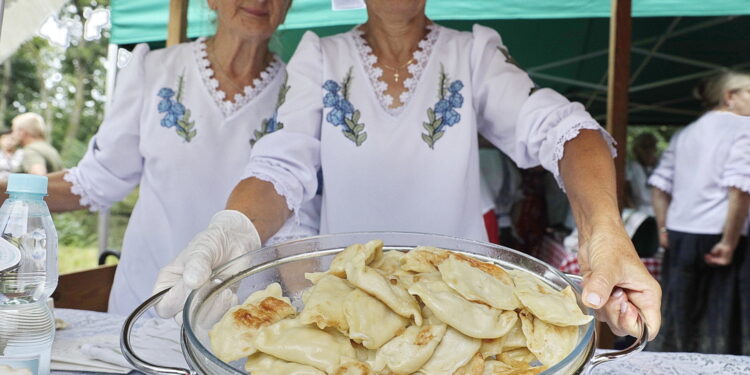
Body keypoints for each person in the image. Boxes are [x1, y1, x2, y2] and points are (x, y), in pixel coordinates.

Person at [155, 0, 661, 340]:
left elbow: (565, 129)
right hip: (345, 320)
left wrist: (605, 232)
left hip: (461, 321)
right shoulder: (321, 56)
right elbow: (282, 165)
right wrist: (235, 227)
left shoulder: (473, 54)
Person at [0, 0, 319, 316]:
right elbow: (98, 180)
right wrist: (8, 190)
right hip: (146, 298)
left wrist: (310, 311)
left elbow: (300, 220)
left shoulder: (300, 93)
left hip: (244, 310)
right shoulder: (153, 70)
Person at [649, 70, 750, 354]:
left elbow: (658, 187)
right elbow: (740, 190)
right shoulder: (745, 128)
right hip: (720, 236)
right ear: (730, 96)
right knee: (721, 322)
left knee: (679, 315)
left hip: (680, 234)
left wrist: (663, 229)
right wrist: (729, 242)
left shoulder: (686, 132)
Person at [625, 132, 658, 216]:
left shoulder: (661, 166)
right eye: (644, 147)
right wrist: (634, 212)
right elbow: (625, 193)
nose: (649, 150)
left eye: (651, 146)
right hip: (639, 212)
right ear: (636, 150)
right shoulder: (630, 167)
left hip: (660, 210)